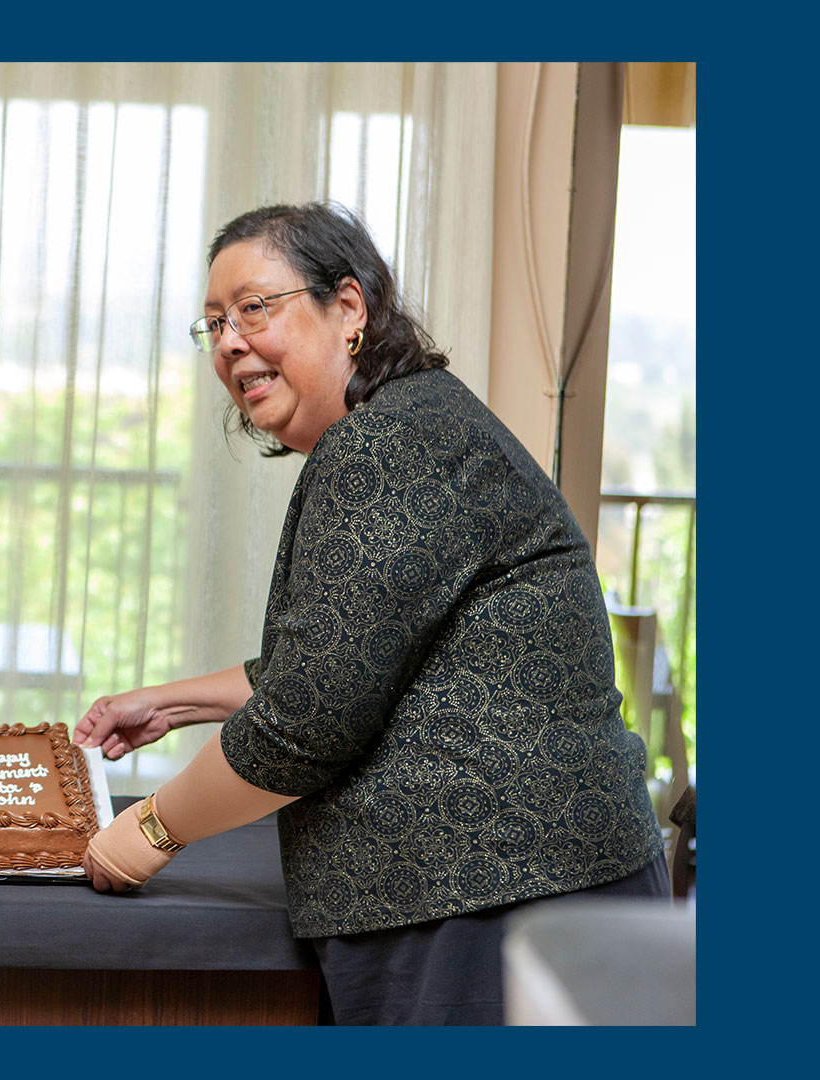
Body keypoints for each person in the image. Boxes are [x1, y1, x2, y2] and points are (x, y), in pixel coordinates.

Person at [76, 202, 666, 1025]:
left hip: (497, 899)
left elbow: (306, 722)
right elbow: (350, 666)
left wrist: (150, 831)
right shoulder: (408, 423)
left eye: (253, 307)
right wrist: (172, 703)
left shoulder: (387, 444)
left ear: (348, 308)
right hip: (521, 893)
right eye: (213, 323)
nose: (229, 342)